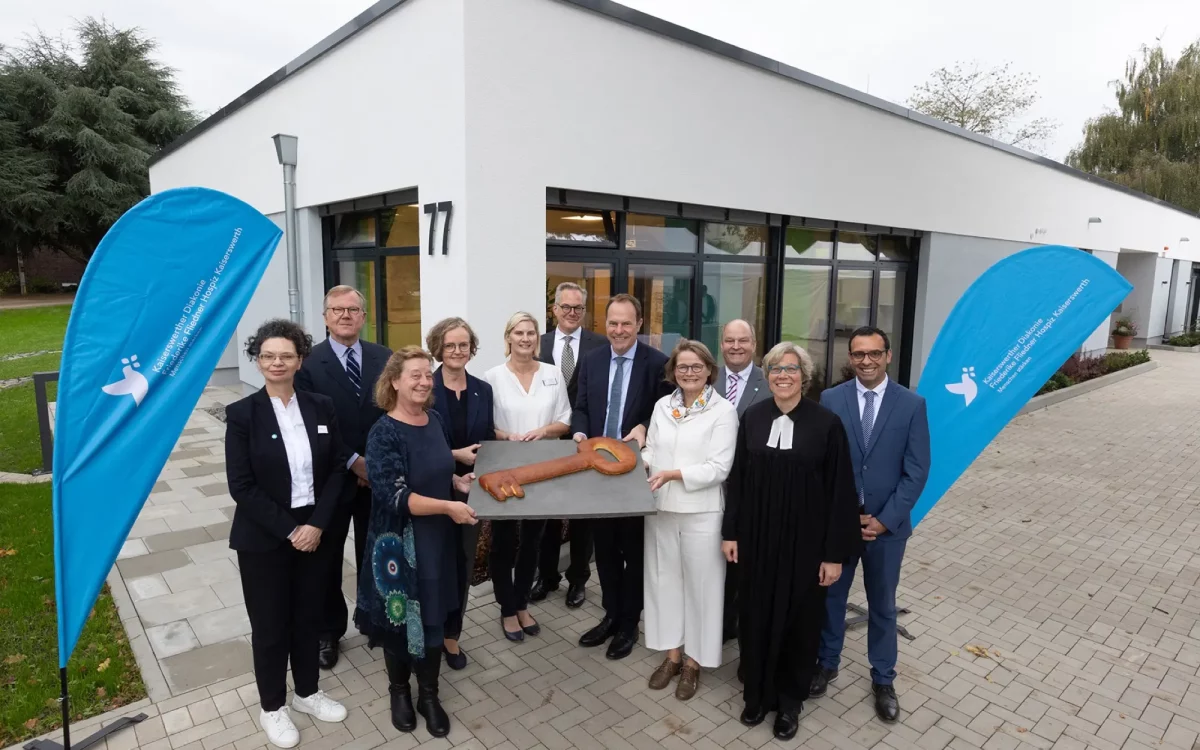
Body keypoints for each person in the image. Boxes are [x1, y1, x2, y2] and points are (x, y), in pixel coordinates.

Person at [722, 341, 860, 741]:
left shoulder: (826, 424)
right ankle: (756, 695)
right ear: (767, 376)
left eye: (792, 368)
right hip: (757, 542)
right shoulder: (751, 418)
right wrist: (730, 532)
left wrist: (834, 555)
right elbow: (739, 481)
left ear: (805, 376)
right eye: (776, 369)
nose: (783, 375)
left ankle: (788, 703)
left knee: (800, 625)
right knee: (755, 616)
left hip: (806, 547)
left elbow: (840, 493)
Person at [225, 319, 349, 749]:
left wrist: (316, 525)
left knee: (309, 617)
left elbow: (337, 468)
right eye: (268, 355)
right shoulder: (243, 414)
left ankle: (307, 693)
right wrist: (291, 529)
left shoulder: (320, 405)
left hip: (315, 530)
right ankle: (272, 706)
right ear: (258, 360)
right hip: (265, 537)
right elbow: (241, 485)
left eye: (286, 355)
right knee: (271, 625)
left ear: (300, 359)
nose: (277, 362)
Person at [356, 347, 477, 738]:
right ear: (394, 382)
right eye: (415, 375)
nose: (425, 381)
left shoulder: (436, 419)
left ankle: (429, 694)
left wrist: (457, 483)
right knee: (399, 618)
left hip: (440, 538)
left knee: (435, 616)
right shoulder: (383, 432)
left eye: (428, 374)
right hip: (400, 545)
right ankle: (398, 693)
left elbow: (441, 469)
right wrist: (448, 505)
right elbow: (394, 496)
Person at [814, 326, 930, 723]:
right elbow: (823, 464)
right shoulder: (831, 398)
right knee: (830, 598)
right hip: (840, 525)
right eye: (859, 354)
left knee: (882, 606)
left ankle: (883, 678)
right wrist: (843, 516)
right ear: (850, 357)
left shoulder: (911, 405)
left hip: (887, 529)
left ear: (888, 355)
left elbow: (916, 471)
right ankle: (826, 663)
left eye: (874, 353)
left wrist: (883, 520)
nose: (866, 361)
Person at [295, 285, 392, 669]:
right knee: (327, 560)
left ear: (364, 316)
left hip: (378, 477)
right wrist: (354, 461)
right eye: (337, 310)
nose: (345, 315)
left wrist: (375, 462)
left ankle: (377, 620)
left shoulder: (384, 357)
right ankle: (328, 632)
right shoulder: (308, 364)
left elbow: (391, 413)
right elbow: (310, 423)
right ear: (325, 317)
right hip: (332, 477)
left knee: (379, 552)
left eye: (353, 309)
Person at [572, 293, 671, 660]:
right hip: (596, 470)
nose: (618, 330)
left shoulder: (658, 365)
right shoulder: (592, 360)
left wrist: (644, 425)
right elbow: (581, 408)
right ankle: (611, 615)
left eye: (626, 323)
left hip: (634, 474)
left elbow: (664, 416)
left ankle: (630, 623)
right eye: (612, 323)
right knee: (606, 551)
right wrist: (580, 434)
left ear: (639, 324)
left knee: (633, 551)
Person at [642, 340, 739, 701]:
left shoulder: (723, 411)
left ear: (709, 370)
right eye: (682, 367)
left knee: (702, 589)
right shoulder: (661, 406)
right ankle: (671, 655)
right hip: (661, 509)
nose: (689, 373)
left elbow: (719, 467)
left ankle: (694, 663)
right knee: (664, 583)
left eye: (696, 366)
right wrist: (640, 459)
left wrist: (672, 474)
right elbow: (651, 448)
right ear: (673, 372)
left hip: (702, 512)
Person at [482, 312, 572, 640]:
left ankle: (521, 603)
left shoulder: (552, 374)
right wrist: (506, 436)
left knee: (532, 541)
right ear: (508, 337)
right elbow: (483, 424)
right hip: (505, 469)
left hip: (543, 469)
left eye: (531, 333)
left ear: (538, 338)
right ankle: (507, 608)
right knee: (503, 542)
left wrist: (545, 430)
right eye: (518, 332)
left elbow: (566, 418)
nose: (525, 338)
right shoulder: (491, 377)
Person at [531, 282, 606, 609]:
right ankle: (546, 577)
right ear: (555, 309)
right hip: (547, 442)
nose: (572, 312)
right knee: (545, 515)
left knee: (581, 518)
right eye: (566, 307)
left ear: (583, 311)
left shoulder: (600, 345)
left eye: (578, 308)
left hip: (584, 441)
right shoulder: (538, 344)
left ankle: (578, 580)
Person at [427, 317, 495, 670]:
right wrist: (453, 456)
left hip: (471, 492)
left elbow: (488, 439)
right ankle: (428, 633)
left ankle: (452, 636)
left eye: (463, 344)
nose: (457, 351)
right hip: (429, 492)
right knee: (430, 565)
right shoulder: (424, 388)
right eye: (450, 345)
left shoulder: (484, 389)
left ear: (472, 348)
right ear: (437, 347)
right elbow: (415, 442)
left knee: (461, 565)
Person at [713, 319, 770, 644]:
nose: (736, 346)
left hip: (751, 490)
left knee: (742, 563)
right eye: (730, 340)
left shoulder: (770, 381)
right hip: (712, 487)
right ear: (721, 344)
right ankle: (716, 622)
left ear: (754, 344)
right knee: (715, 558)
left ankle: (734, 623)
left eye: (743, 341)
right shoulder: (708, 378)